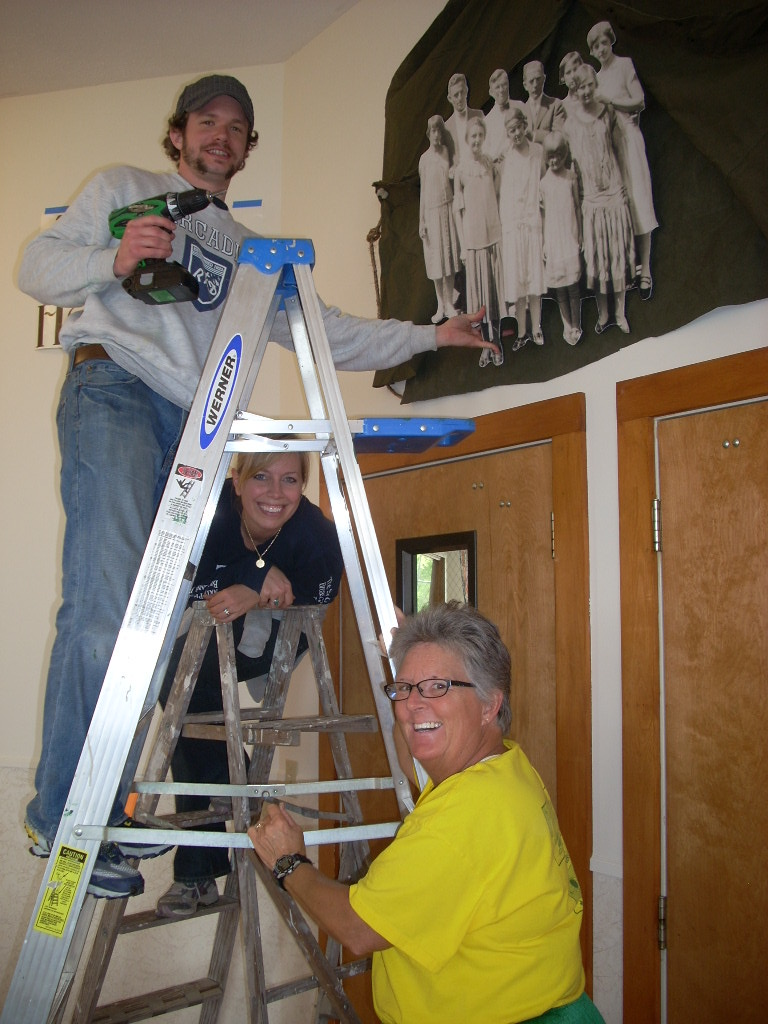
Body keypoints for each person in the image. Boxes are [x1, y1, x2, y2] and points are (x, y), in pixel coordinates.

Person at [17, 73, 496, 900]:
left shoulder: (249, 252)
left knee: (161, 620)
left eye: (238, 128)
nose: (222, 137)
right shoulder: (125, 192)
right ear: (179, 135)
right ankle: (64, 818)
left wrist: (430, 335)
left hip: (198, 425)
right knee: (106, 608)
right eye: (208, 122)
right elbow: (36, 267)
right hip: (117, 392)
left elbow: (328, 329)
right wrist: (114, 256)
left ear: (245, 149)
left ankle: (100, 806)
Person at [248, 602, 605, 1024]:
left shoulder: (464, 817)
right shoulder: (501, 769)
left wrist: (288, 862)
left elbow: (357, 928)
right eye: (404, 688)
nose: (412, 705)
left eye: (438, 687)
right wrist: (405, 654)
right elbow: (413, 754)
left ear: (491, 704)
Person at [155, 445, 343, 918]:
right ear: (236, 481)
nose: (276, 494)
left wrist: (259, 595)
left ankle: (205, 864)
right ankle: (247, 817)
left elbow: (325, 591)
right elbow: (176, 577)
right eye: (261, 478)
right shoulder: (209, 513)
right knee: (184, 696)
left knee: (187, 686)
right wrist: (251, 574)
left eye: (290, 480)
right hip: (208, 626)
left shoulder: (315, 533)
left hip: (281, 635)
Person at [587, 20, 657, 299]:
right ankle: (631, 267)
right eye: (595, 46)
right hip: (610, 147)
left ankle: (647, 270)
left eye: (603, 42)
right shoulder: (596, 80)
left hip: (629, 139)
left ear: (611, 41)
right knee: (621, 207)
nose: (601, 49)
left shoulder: (625, 65)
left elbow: (639, 101)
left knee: (640, 201)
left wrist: (611, 101)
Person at [565, 64, 634, 334]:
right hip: (590, 199)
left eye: (589, 86)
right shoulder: (570, 124)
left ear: (595, 86)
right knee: (596, 260)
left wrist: (625, 185)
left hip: (614, 193)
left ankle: (620, 313)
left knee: (616, 256)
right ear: (574, 89)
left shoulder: (608, 115)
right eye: (579, 87)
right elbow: (571, 168)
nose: (585, 92)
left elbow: (620, 151)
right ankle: (604, 315)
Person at [452, 117, 506, 366]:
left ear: (483, 137)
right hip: (473, 244)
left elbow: (497, 195)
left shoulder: (489, 164)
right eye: (472, 137)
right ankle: (484, 345)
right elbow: (457, 211)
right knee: (478, 301)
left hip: (492, 238)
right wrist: (463, 245)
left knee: (493, 296)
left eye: (479, 136)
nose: (476, 140)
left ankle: (496, 343)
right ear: (466, 140)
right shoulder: (462, 171)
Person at [498, 105, 546, 347]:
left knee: (534, 280)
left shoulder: (537, 152)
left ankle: (537, 328)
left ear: (524, 126)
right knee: (518, 282)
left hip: (533, 222)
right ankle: (521, 332)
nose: (515, 134)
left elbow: (543, 183)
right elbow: (504, 196)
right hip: (514, 227)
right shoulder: (507, 158)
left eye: (517, 128)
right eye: (510, 131)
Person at [539, 131, 584, 344]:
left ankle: (577, 324)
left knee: (573, 286)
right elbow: (544, 215)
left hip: (570, 235)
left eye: (557, 155)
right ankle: (566, 325)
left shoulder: (571, 177)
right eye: (550, 157)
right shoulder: (544, 184)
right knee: (560, 288)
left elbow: (577, 206)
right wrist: (545, 243)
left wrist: (581, 234)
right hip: (554, 239)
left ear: (564, 155)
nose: (554, 160)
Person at [418, 115, 461, 324]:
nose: (436, 135)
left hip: (447, 208)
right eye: (433, 131)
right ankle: (440, 304)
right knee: (436, 262)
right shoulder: (424, 160)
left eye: (439, 131)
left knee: (449, 258)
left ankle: (450, 304)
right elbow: (423, 193)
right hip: (431, 212)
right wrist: (422, 221)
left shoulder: (446, 152)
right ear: (428, 134)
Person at [522, 60, 566, 144]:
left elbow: (559, 137)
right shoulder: (520, 110)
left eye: (538, 79)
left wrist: (535, 136)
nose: (535, 85)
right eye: (531, 81)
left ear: (544, 79)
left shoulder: (556, 105)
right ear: (525, 85)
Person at [484, 68, 513, 160]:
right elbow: (485, 153)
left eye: (504, 85)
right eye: (497, 87)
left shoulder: (521, 107)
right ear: (491, 92)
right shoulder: (487, 121)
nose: (501, 90)